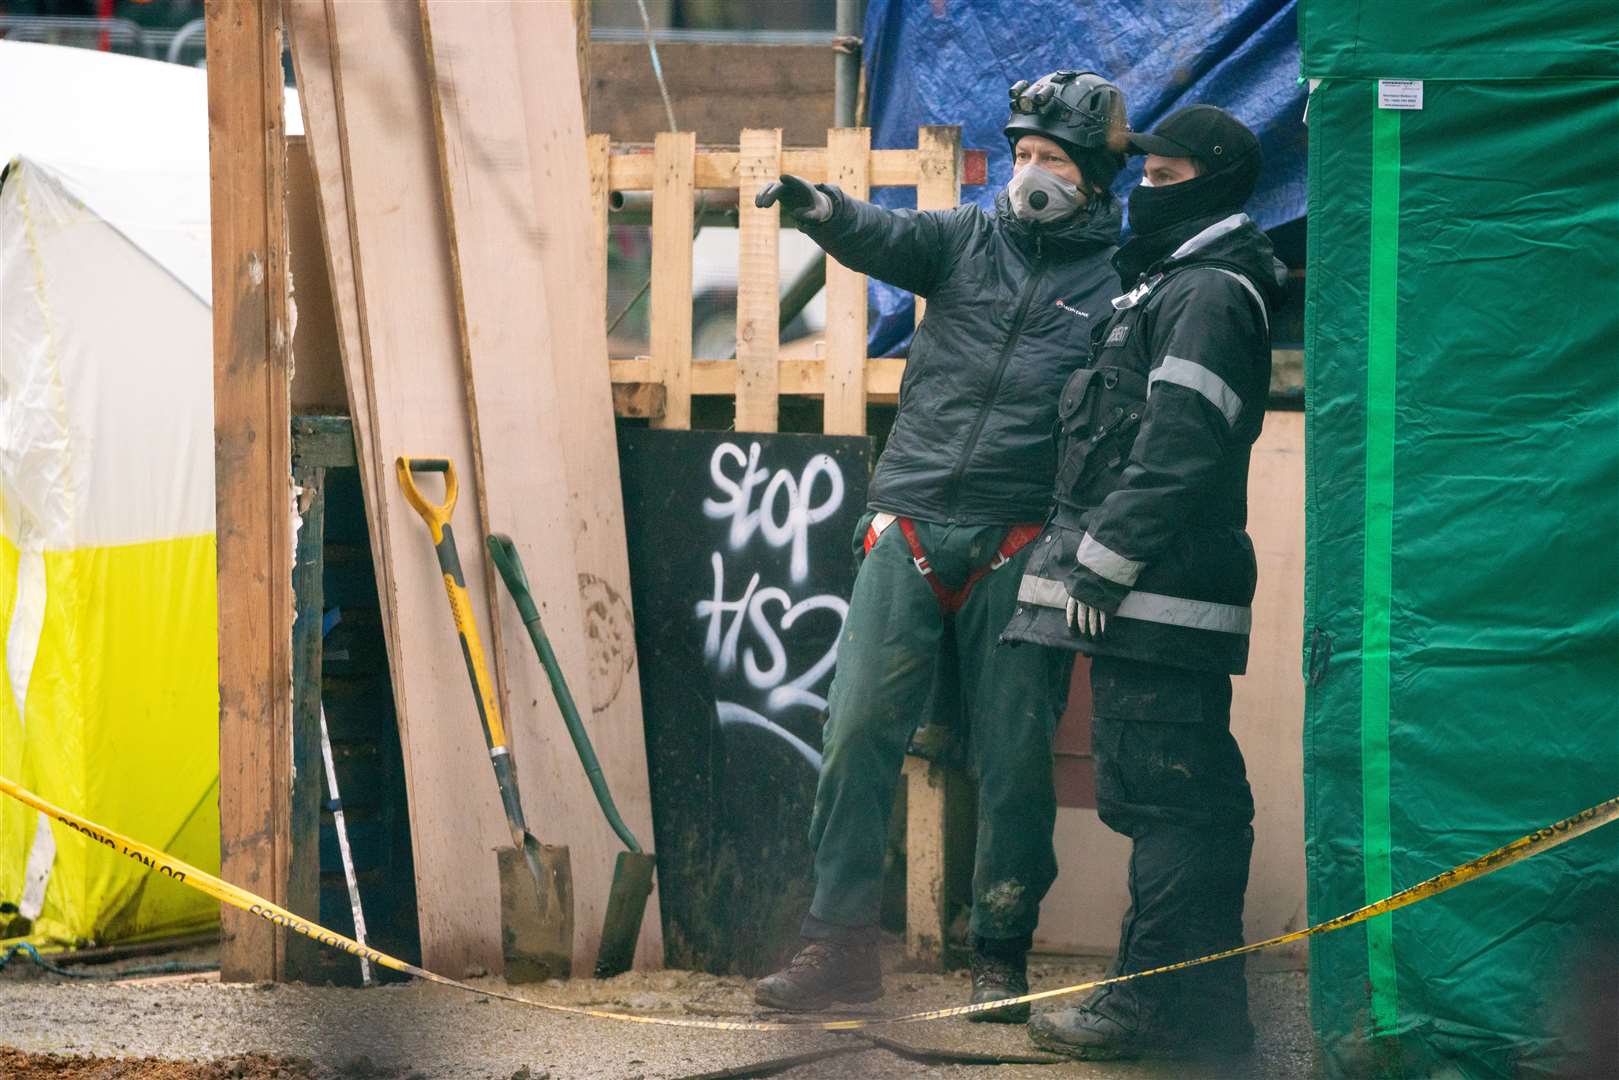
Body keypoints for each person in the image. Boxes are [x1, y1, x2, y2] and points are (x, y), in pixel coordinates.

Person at [748, 71, 1128, 1021]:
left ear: (1091, 174)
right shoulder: (967, 236)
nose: (1030, 173)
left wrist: (1074, 541)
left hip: (1021, 538)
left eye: (1052, 159)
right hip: (910, 519)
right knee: (855, 736)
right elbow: (884, 234)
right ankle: (836, 948)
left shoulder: (1118, 284)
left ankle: (999, 958)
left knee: (1011, 760)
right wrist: (821, 209)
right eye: (1023, 155)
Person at [1002, 104, 1286, 1059]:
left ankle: (1156, 1009)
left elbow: (1179, 443)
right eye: (1146, 177)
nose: (1143, 195)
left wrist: (1106, 558)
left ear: (1209, 183)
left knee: (1170, 799)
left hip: (1156, 592)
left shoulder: (1205, 293)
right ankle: (1190, 1015)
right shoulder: (1174, 285)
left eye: (1163, 181)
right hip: (1151, 593)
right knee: (1165, 796)